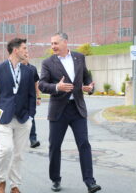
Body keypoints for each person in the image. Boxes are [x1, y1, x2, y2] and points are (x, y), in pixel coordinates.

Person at [38, 33, 101, 193]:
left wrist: (90, 87)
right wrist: (57, 87)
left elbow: (86, 77)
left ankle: (90, 182)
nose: (53, 46)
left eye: (56, 43)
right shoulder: (47, 62)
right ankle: (55, 179)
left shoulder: (79, 57)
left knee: (84, 144)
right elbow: (42, 85)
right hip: (58, 110)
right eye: (51, 43)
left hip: (77, 108)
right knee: (55, 146)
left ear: (65, 42)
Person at [0, 38, 36, 193]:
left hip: (23, 118)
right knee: (6, 150)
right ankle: (1, 181)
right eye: (24, 48)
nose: (27, 51)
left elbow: (32, 95)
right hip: (3, 115)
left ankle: (15, 185)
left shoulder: (29, 71)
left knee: (18, 154)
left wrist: (31, 116)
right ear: (15, 50)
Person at [21, 57, 41, 148]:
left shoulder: (33, 68)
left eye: (27, 55)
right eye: (24, 56)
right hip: (19, 98)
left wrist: (38, 96)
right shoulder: (17, 68)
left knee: (31, 118)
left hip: (31, 98)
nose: (26, 57)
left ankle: (33, 139)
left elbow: (36, 83)